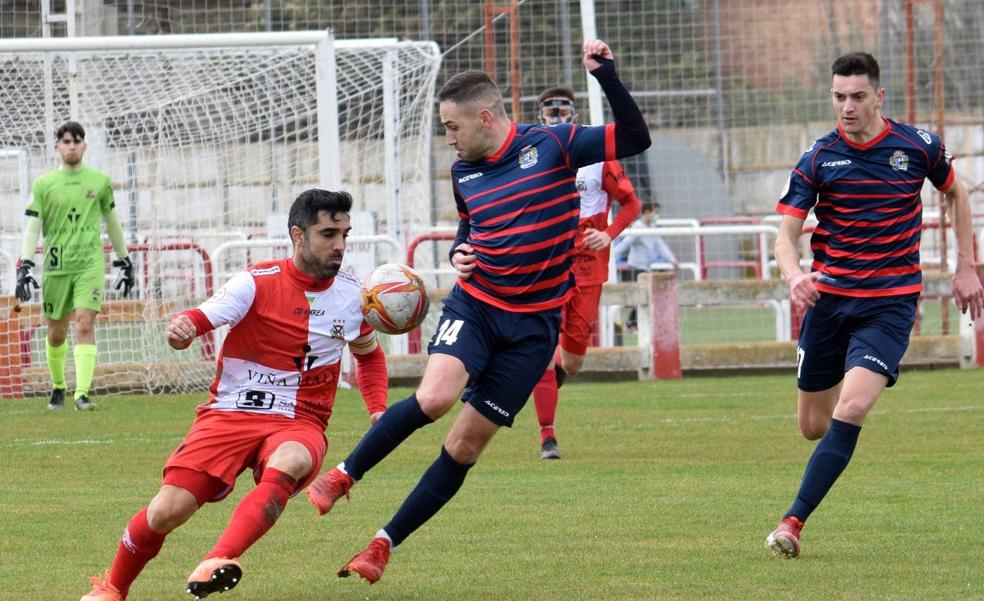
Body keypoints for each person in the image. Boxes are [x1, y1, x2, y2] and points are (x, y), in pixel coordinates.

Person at [305, 39, 650, 584]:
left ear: (484, 118)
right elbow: (470, 229)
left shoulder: (556, 146)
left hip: (534, 328)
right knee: (435, 397)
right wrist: (457, 252)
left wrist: (606, 75)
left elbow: (636, 137)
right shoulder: (462, 171)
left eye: (452, 127)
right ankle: (343, 475)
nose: (449, 138)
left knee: (464, 444)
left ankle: (382, 544)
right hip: (479, 305)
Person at [79, 190, 389, 601]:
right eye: (328, 234)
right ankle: (113, 588)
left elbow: (369, 357)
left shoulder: (354, 297)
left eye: (344, 235)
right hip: (230, 414)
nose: (339, 246)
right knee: (164, 511)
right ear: (297, 235)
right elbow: (200, 316)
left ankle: (219, 558)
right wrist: (183, 328)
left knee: (292, 459)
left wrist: (378, 409)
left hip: (300, 421)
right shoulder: (255, 281)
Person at [766, 52, 984, 559]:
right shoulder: (818, 157)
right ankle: (845, 372)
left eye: (857, 97)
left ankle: (792, 522)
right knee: (813, 427)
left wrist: (967, 265)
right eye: (839, 97)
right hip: (829, 303)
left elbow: (959, 194)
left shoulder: (919, 146)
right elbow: (785, 234)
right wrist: (795, 275)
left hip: (889, 304)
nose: (847, 107)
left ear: (879, 97)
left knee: (855, 406)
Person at [529, 84, 642, 460]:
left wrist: (607, 234)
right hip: (549, 261)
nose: (556, 116)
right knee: (543, 347)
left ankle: (547, 380)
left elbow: (630, 204)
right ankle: (548, 436)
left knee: (573, 360)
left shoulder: (598, 157)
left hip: (589, 266)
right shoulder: (532, 155)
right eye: (549, 110)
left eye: (563, 109)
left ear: (574, 114)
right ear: (540, 115)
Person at [14, 121, 135, 411]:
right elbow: (33, 227)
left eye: (77, 141)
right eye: (66, 141)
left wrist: (124, 259)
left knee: (85, 321)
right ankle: (58, 387)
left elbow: (113, 222)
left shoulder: (99, 181)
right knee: (56, 331)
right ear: (57, 145)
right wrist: (25, 264)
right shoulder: (44, 184)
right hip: (56, 267)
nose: (72, 146)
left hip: (89, 265)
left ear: (84, 145)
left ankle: (82, 393)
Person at [613, 202, 679, 283]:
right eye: (655, 213)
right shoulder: (638, 227)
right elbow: (625, 244)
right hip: (635, 269)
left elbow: (661, 246)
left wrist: (673, 260)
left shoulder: (652, 227)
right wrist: (610, 256)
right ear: (647, 212)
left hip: (646, 268)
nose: (656, 216)